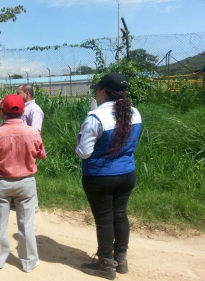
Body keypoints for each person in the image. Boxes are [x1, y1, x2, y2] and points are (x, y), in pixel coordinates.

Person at [75, 73, 142, 280]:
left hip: (100, 176)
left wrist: (77, 144)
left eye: (98, 89)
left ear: (103, 91)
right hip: (127, 173)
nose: (96, 92)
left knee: (104, 220)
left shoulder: (96, 117)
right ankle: (120, 260)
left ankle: (106, 264)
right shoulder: (134, 112)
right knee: (120, 215)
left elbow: (84, 152)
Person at [0, 94, 47, 273]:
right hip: (26, 182)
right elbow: (41, 155)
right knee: (26, 223)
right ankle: (28, 262)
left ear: (3, 112)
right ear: (22, 111)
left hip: (0, 182)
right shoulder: (33, 132)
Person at [0, 84, 44, 211]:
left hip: (25, 147)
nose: (16, 95)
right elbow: (6, 121)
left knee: (26, 174)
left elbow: (36, 132)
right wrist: (0, 109)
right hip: (13, 146)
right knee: (14, 172)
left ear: (27, 94)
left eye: (18, 93)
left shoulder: (34, 109)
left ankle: (32, 204)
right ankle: (15, 200)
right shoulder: (20, 108)